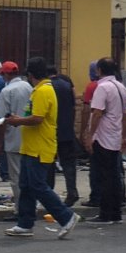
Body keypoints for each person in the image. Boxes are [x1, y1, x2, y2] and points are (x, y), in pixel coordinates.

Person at [2, 56, 80, 239]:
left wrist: (17, 121)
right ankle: (25, 223)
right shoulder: (38, 90)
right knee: (26, 186)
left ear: (30, 74)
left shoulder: (43, 91)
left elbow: (37, 118)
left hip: (40, 147)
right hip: (31, 147)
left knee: (38, 186)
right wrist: (18, 119)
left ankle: (66, 216)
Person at [82, 57, 126, 225]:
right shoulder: (122, 88)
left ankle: (105, 213)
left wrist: (89, 135)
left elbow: (97, 113)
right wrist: (124, 136)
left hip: (102, 137)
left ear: (99, 70)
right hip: (115, 136)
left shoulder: (102, 88)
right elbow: (125, 115)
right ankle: (115, 213)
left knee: (103, 177)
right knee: (114, 176)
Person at [0, 61, 32, 206]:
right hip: (29, 136)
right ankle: (30, 205)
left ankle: (20, 208)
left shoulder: (6, 91)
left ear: (5, 74)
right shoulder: (29, 87)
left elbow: (2, 119)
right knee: (28, 176)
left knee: (16, 177)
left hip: (13, 138)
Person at [48, 67, 80, 206]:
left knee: (48, 163)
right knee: (68, 164)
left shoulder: (46, 86)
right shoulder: (66, 83)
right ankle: (72, 191)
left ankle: (49, 193)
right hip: (66, 130)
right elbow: (74, 106)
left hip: (50, 130)